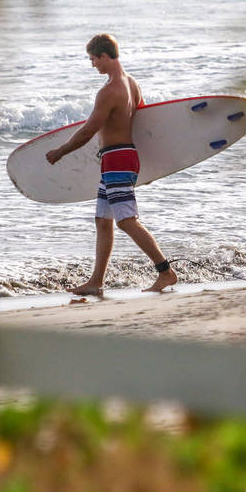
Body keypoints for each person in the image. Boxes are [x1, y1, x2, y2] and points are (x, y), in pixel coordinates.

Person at [46, 34, 178, 297]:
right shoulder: (132, 84)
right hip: (121, 158)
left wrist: (60, 152)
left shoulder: (109, 91)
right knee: (102, 220)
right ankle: (96, 282)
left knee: (127, 221)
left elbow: (88, 131)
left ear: (105, 56)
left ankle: (165, 271)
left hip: (117, 159)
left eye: (94, 59)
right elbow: (142, 124)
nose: (93, 64)